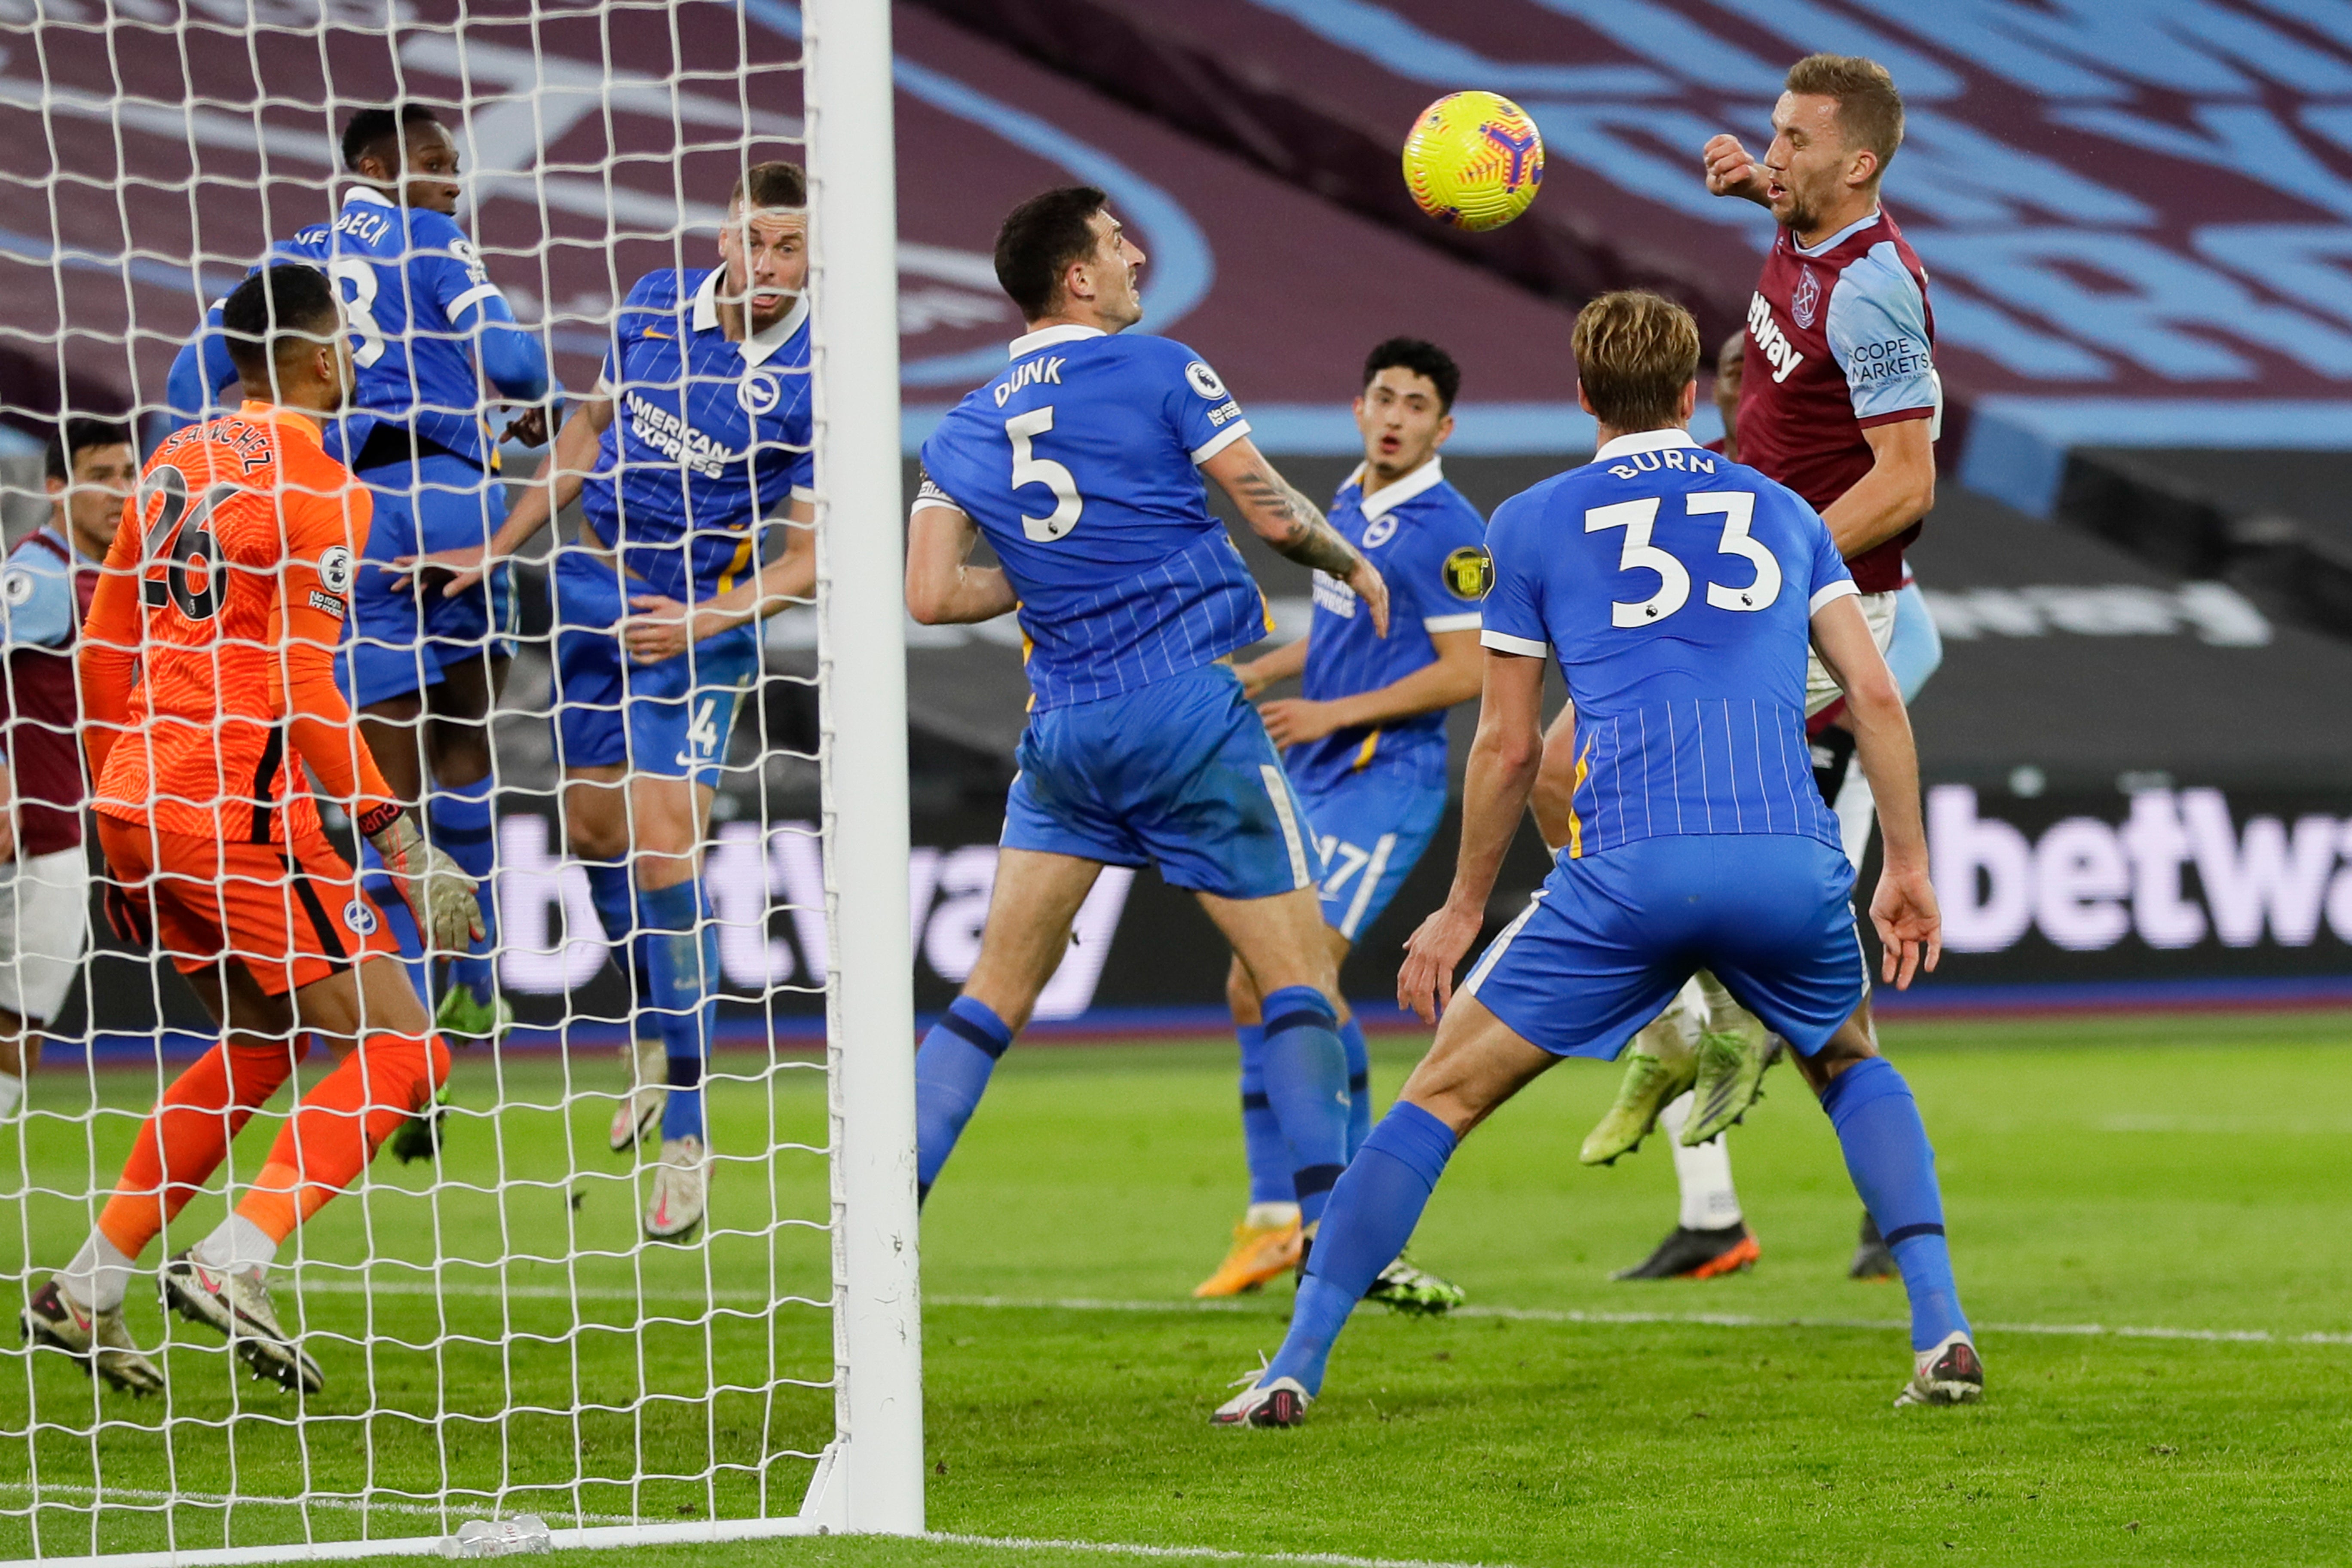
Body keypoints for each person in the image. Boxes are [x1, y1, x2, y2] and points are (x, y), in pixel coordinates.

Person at [1212, 290, 1978, 1429]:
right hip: (1783, 857)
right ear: (1693, 398)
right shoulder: (1782, 508)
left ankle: (1294, 1366)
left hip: (1627, 873)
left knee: (1441, 1097)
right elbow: (1873, 696)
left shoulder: (1528, 522)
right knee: (1851, 1062)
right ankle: (1941, 1330)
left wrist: (1464, 905)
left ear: (1582, 398)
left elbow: (1511, 743)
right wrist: (1906, 867)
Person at [21, 265, 481, 1396]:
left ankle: (84, 1291)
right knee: (404, 1048)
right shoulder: (329, 490)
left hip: (136, 796)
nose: (362, 363)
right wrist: (399, 837)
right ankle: (236, 1258)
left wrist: (107, 810)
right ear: (322, 361)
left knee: (260, 1045)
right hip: (239, 802)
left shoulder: (174, 456)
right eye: (354, 347)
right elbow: (306, 684)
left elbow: (102, 649)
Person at [903, 186, 1388, 1250]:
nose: (1135, 256)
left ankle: (883, 1232)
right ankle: (1328, 1240)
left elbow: (933, 596)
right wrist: (1348, 559)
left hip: (1064, 731)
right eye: (1118, 243)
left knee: (992, 993)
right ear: (1076, 276)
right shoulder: (1165, 367)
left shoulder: (963, 426)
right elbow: (1264, 509)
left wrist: (1041, 574)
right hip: (1183, 707)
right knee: (1297, 978)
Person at [1572, 53, 1951, 1283]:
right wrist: (1756, 193)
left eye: (1793, 141)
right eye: (1769, 133)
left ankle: (1703, 1024)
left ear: (1862, 165)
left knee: (1606, 776)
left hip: (1818, 606)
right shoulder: (1809, 236)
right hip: (1773, 603)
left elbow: (1908, 479)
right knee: (1649, 804)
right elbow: (1803, 264)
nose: (1769, 151)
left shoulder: (1878, 292)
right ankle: (1716, 1020)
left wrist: (1773, 563)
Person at [400, 161, 818, 1240]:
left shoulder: (824, 370)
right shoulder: (648, 306)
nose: (768, 268)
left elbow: (811, 556)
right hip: (592, 592)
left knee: (665, 843)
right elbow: (584, 434)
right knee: (592, 834)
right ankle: (651, 1022)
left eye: (790, 250)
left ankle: (688, 1127)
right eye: (756, 243)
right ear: (725, 234)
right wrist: (498, 544)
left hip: (698, 626)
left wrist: (707, 624)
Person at [166, 102, 551, 1047]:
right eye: (436, 160)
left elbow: (186, 380)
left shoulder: (287, 263)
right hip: (460, 508)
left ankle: (403, 1026)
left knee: (381, 787)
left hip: (350, 517)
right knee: (467, 747)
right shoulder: (431, 237)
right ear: (380, 165)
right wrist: (533, 405)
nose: (455, 180)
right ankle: (474, 975)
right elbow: (516, 361)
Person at [1194, 338, 1483, 1313]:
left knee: (1298, 971)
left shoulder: (1450, 530)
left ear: (1444, 429)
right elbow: (1348, 632)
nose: (1396, 416)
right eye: (1384, 398)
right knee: (1253, 984)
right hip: (1316, 772)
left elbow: (1466, 673)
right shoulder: (1347, 503)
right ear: (1359, 407)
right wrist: (1264, 671)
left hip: (1384, 780)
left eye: (1416, 406)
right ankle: (1279, 1217)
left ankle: (1350, 1227)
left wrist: (1327, 713)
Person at [0, 420, 134, 1122]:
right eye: (102, 477)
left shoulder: (106, 584)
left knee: (20, 1030)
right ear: (57, 489)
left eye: (128, 475)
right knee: (15, 1033)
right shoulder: (39, 578)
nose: (121, 492)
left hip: (53, 838)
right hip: (26, 839)